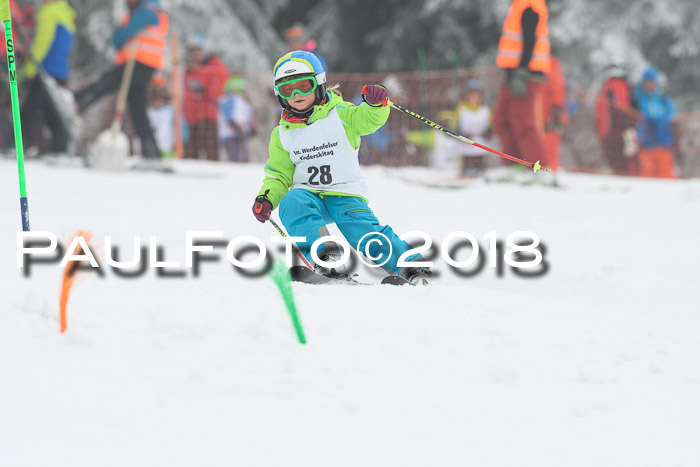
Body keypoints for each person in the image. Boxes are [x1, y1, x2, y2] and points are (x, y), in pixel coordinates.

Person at [251, 50, 429, 283]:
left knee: (364, 234)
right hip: (310, 195)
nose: (296, 94)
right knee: (291, 203)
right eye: (287, 89)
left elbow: (367, 120)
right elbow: (279, 175)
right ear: (279, 94)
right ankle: (327, 258)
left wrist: (376, 105)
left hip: (345, 194)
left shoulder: (341, 114)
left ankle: (410, 266)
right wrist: (267, 198)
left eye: (303, 86)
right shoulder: (282, 135)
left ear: (319, 83)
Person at [74, 0, 168, 161]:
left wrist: (118, 38)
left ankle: (78, 100)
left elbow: (124, 33)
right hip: (138, 62)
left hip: (140, 62)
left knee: (109, 81)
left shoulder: (148, 9)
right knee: (137, 108)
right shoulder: (143, 9)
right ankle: (151, 151)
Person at [493, 0, 550, 170]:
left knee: (523, 122)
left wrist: (522, 71)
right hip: (513, 75)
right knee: (502, 119)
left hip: (525, 75)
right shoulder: (518, 5)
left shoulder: (529, 5)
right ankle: (513, 165)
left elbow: (530, 40)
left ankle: (539, 167)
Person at [19, 0, 75, 156]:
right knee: (50, 111)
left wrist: (28, 70)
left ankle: (21, 145)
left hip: (45, 69)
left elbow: (42, 43)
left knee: (28, 109)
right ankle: (60, 148)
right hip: (60, 70)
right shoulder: (66, 13)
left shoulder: (49, 12)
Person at [183, 33, 229, 161]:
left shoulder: (213, 64)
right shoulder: (189, 70)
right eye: (192, 51)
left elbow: (221, 81)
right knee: (192, 152)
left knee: (211, 151)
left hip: (208, 115)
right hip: (192, 117)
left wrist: (206, 90)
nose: (194, 54)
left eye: (197, 50)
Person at [595, 63, 638, 175]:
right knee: (625, 163)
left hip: (613, 131)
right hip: (618, 131)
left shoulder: (611, 86)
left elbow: (619, 109)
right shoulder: (617, 86)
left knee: (620, 163)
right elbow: (621, 109)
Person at [634, 67, 676, 179]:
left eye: (652, 82)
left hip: (663, 146)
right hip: (646, 148)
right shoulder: (637, 100)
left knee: (666, 179)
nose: (649, 85)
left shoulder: (664, 100)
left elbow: (673, 119)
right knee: (646, 180)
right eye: (647, 82)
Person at [455, 79, 492, 176]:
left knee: (480, 157)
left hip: (480, 139)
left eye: (477, 95)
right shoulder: (461, 109)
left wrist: (488, 132)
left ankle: (481, 171)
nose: (474, 98)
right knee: (467, 159)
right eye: (471, 94)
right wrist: (460, 133)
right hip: (466, 140)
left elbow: (491, 124)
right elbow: (455, 125)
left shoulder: (485, 110)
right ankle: (466, 171)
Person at [540, 55, 569, 178]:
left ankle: (552, 172)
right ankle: (548, 170)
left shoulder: (550, 69)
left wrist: (556, 114)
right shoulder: (547, 68)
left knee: (550, 143)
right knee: (545, 143)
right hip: (545, 114)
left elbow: (557, 93)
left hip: (550, 116)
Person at [217, 75, 255, 163]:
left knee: (243, 157)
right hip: (231, 135)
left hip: (241, 134)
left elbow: (246, 116)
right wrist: (237, 128)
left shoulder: (243, 101)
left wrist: (251, 128)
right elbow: (228, 117)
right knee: (234, 158)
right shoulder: (229, 100)